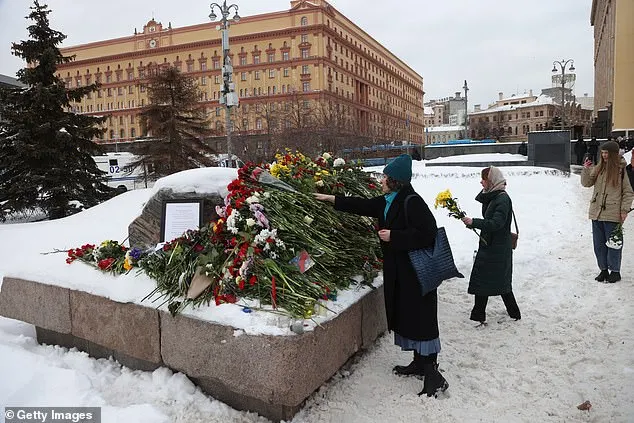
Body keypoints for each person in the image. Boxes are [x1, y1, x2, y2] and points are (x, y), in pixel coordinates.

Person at [314, 154, 449, 397]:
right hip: (401, 272)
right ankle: (420, 363)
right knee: (410, 316)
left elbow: (428, 233)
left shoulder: (412, 201)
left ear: (396, 181)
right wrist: (330, 199)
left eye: (386, 177)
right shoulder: (388, 200)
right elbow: (362, 205)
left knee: (422, 319)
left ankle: (434, 376)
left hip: (417, 273)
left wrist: (395, 237)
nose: (382, 180)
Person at [461, 166, 521, 326]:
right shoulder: (494, 196)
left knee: (488, 281)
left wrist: (475, 222)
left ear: (492, 181)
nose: (481, 182)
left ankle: (480, 315)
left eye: (484, 179)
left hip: (497, 247)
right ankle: (511, 312)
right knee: (497, 281)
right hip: (493, 246)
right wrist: (472, 223)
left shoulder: (502, 199)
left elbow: (496, 223)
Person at [581, 141, 634, 283]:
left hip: (612, 213)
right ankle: (603, 269)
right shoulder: (599, 169)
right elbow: (586, 183)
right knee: (598, 245)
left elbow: (628, 192)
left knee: (614, 244)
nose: (604, 156)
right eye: (602, 153)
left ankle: (615, 271)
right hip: (596, 213)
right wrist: (586, 169)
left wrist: (624, 211)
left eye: (607, 153)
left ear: (613, 154)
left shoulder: (622, 170)